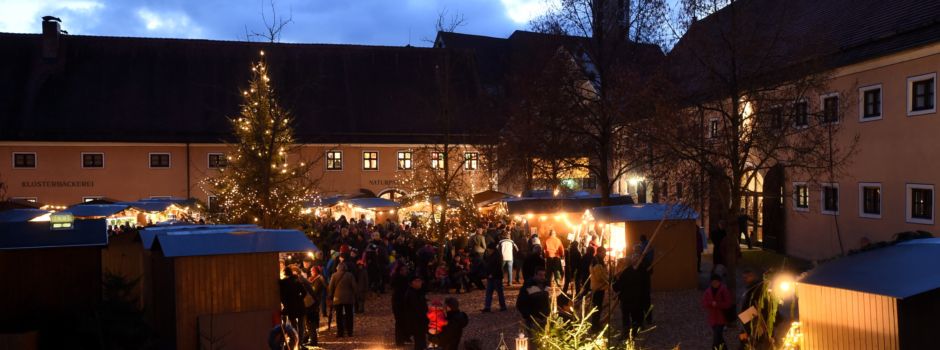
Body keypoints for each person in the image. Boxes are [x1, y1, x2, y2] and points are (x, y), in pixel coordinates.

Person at [613, 254, 650, 338]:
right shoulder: (636, 272)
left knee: (626, 317)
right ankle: (634, 333)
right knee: (634, 316)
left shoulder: (624, 274)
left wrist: (615, 280)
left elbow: (617, 287)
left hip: (626, 299)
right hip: (636, 298)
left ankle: (626, 334)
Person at [740, 269, 772, 350]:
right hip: (750, 316)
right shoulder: (751, 288)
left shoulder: (757, 288)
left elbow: (760, 304)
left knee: (758, 339)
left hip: (756, 317)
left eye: (747, 277)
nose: (745, 279)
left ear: (753, 276)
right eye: (744, 278)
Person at [702, 274, 732, 349]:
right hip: (713, 319)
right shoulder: (708, 291)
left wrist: (717, 304)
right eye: (713, 282)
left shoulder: (724, 290)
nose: (714, 284)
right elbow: (704, 303)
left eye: (716, 282)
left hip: (721, 318)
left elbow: (728, 304)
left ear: (719, 282)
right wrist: (711, 303)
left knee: (716, 338)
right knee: (719, 338)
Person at [516, 267, 551, 333]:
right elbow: (520, 303)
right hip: (533, 320)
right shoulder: (528, 286)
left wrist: (548, 312)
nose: (542, 277)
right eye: (540, 275)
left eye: (544, 275)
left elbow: (546, 301)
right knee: (533, 337)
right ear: (535, 275)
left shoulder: (546, 285)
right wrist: (529, 316)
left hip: (544, 318)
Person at [328, 263, 357, 337]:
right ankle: (350, 332)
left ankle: (340, 332)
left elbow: (331, 287)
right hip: (348, 298)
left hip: (337, 298)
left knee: (339, 316)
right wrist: (355, 295)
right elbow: (354, 286)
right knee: (349, 315)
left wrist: (330, 297)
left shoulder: (334, 275)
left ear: (337, 268)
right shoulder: (350, 275)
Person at [279, 267, 307, 343]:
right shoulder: (297, 281)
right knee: (301, 326)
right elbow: (304, 292)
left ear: (285, 274)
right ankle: (300, 342)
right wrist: (299, 298)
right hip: (300, 306)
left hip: (290, 307)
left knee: (294, 326)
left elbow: (282, 297)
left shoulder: (283, 283)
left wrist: (285, 304)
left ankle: (295, 341)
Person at [403, 275, 430, 350]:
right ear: (412, 283)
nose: (419, 283)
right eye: (417, 281)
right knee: (419, 339)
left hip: (420, 320)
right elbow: (416, 307)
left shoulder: (418, 292)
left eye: (420, 281)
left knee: (421, 339)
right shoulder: (411, 293)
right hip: (416, 320)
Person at [305, 266, 327, 347]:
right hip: (313, 300)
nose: (311, 272)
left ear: (316, 271)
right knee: (312, 319)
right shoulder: (312, 278)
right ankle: (310, 335)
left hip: (315, 301)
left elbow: (315, 290)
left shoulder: (318, 279)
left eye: (312, 271)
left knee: (312, 319)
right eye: (311, 271)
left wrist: (309, 285)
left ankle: (313, 335)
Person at [390, 262, 411, 346]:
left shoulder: (405, 278)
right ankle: (399, 340)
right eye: (404, 270)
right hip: (399, 303)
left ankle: (405, 337)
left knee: (404, 321)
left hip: (402, 303)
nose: (405, 271)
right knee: (400, 321)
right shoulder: (399, 280)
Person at [482, 248, 507, 312]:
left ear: (492, 249)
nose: (488, 251)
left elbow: (498, 267)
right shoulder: (492, 256)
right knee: (490, 292)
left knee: (498, 292)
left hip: (496, 277)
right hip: (492, 277)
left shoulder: (497, 257)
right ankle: (488, 307)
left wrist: (492, 274)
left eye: (488, 250)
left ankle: (502, 306)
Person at [588, 254, 608, 333]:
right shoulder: (598, 266)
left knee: (596, 307)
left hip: (595, 287)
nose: (604, 255)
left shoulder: (592, 265)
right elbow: (600, 278)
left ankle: (596, 324)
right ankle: (595, 326)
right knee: (597, 308)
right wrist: (607, 278)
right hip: (599, 288)